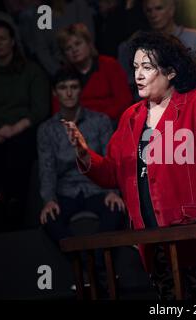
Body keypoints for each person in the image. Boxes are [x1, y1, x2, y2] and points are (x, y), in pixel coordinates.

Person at [63, 31, 196, 300]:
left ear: (171, 72)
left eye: (147, 67)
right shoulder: (131, 117)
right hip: (155, 244)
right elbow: (113, 173)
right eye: (136, 67)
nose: (138, 75)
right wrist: (84, 154)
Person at [38, 68, 125, 288]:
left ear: (81, 91)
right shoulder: (47, 129)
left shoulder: (100, 121)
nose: (68, 93)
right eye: (63, 88)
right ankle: (86, 267)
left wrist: (113, 191)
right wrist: (48, 199)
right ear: (55, 93)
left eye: (74, 87)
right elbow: (47, 168)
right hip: (66, 191)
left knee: (116, 209)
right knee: (49, 218)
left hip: (97, 187)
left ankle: (94, 267)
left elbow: (109, 159)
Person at [0, 19, 49, 231]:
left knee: (20, 146)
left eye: (2, 39)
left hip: (22, 128)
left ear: (12, 41)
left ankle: (15, 204)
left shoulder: (31, 71)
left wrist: (13, 129)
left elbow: (40, 108)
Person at [51, 23, 133, 124]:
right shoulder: (63, 75)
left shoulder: (109, 65)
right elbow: (58, 109)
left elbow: (124, 101)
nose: (74, 50)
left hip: (110, 121)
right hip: (76, 125)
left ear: (89, 44)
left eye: (78, 44)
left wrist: (98, 120)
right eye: (68, 48)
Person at [33, 0, 94, 76]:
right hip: (59, 69)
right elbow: (42, 49)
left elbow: (88, 37)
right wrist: (58, 72)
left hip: (85, 66)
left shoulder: (78, 5)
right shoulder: (43, 13)